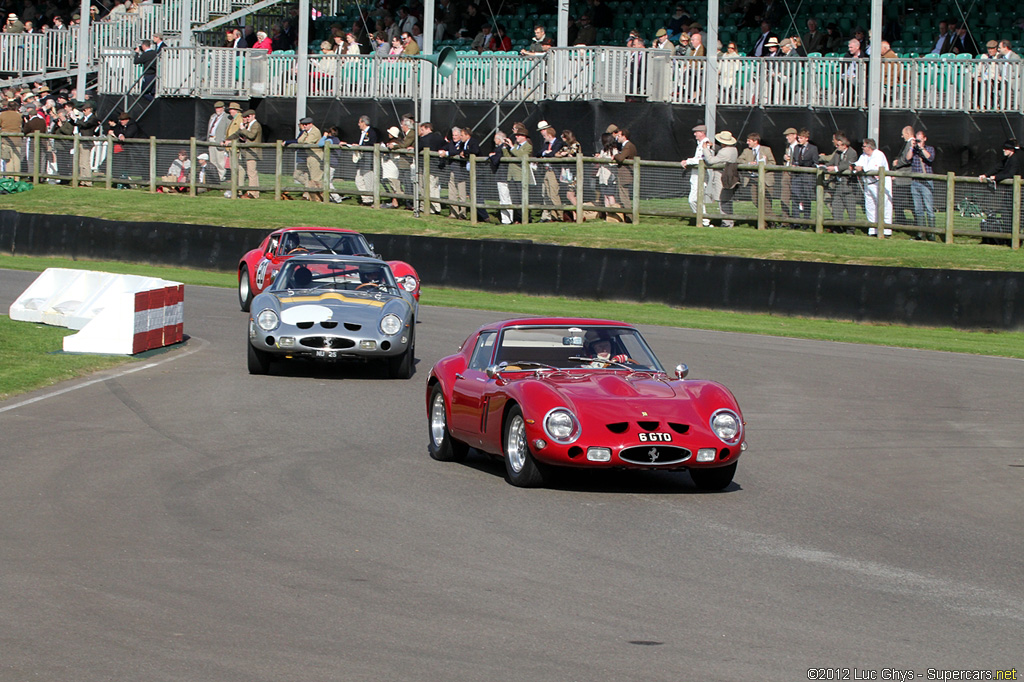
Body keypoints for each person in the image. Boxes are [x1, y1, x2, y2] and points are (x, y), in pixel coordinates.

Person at [978, 139, 1022, 233]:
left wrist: (996, 177)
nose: (1003, 150)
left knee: (1014, 212)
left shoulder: (1015, 160)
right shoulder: (1008, 159)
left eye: (1006, 148)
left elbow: (1011, 174)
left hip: (1017, 191)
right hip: (1009, 191)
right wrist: (986, 174)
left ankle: (1014, 234)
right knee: (1006, 212)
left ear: (1011, 150)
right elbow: (998, 166)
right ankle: (1007, 233)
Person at [853, 138, 893, 235]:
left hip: (880, 183)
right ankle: (873, 229)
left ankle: (886, 230)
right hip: (868, 183)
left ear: (869, 147)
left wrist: (862, 168)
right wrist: (856, 167)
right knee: (870, 206)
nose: (862, 148)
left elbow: (874, 168)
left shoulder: (878, 154)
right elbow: (858, 164)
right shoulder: (863, 156)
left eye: (864, 146)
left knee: (884, 205)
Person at [701, 130, 740, 226]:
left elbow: (710, 160)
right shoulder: (734, 150)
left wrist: (705, 149)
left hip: (722, 177)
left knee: (722, 199)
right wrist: (713, 146)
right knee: (728, 199)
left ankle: (726, 222)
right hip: (730, 176)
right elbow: (722, 152)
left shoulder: (723, 152)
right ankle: (730, 220)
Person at [224, 108, 262, 199]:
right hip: (246, 152)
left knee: (251, 173)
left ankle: (253, 193)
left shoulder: (256, 125)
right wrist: (227, 140)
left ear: (253, 116)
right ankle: (251, 192)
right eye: (245, 117)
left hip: (253, 152)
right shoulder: (247, 125)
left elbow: (251, 136)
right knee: (250, 172)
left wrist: (243, 129)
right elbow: (237, 134)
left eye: (248, 116)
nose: (246, 118)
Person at [824, 134, 859, 231]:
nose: (836, 147)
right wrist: (823, 166)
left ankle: (851, 229)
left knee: (850, 209)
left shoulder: (852, 153)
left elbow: (847, 165)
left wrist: (835, 168)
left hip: (849, 186)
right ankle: (837, 228)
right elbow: (831, 163)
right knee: (836, 207)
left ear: (844, 145)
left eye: (838, 145)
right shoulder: (837, 153)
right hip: (838, 185)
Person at [737, 132, 776, 217]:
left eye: (749, 141)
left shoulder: (766, 149)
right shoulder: (746, 151)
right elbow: (739, 160)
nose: (747, 143)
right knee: (755, 200)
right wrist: (748, 163)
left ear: (755, 141)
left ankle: (769, 221)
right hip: (753, 178)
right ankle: (772, 218)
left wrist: (765, 164)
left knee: (766, 202)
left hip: (765, 179)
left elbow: (773, 163)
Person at [907, 130, 936, 238]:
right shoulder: (914, 150)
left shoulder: (929, 149)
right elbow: (907, 158)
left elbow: (930, 158)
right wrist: (912, 147)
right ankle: (920, 233)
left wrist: (921, 148)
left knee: (929, 208)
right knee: (918, 209)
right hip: (915, 181)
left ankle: (931, 233)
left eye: (920, 139)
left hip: (926, 181)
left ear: (924, 139)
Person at [682, 124, 712, 224]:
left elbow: (703, 159)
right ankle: (704, 221)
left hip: (701, 175)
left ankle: (703, 220)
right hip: (696, 175)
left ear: (702, 133)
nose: (695, 134)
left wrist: (687, 161)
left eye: (696, 132)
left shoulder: (706, 143)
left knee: (693, 199)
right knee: (697, 199)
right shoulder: (700, 143)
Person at [288, 116, 323, 201]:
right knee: (311, 180)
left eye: (306, 124)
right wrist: (305, 133)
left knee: (316, 180)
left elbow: (308, 142)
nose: (304, 126)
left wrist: (305, 137)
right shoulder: (306, 132)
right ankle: (313, 198)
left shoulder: (315, 131)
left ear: (311, 124)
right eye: (303, 124)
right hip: (309, 157)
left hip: (316, 157)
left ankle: (322, 198)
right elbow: (300, 140)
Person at [346, 115, 378, 205]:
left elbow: (371, 144)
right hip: (361, 159)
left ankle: (370, 199)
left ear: (363, 123)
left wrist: (360, 147)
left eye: (359, 122)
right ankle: (366, 198)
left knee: (368, 179)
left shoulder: (372, 132)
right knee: (358, 180)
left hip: (368, 159)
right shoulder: (361, 133)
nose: (358, 124)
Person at [536, 120, 565, 222]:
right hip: (546, 171)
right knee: (547, 194)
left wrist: (548, 153)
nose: (542, 134)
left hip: (554, 171)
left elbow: (553, 154)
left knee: (554, 194)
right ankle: (552, 216)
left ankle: (560, 216)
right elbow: (539, 153)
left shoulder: (558, 143)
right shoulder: (546, 144)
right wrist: (545, 152)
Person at [506, 122, 534, 223]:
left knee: (523, 198)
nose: (516, 137)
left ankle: (526, 219)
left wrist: (511, 147)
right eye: (516, 135)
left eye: (518, 135)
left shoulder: (528, 146)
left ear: (524, 136)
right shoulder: (515, 146)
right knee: (515, 199)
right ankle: (517, 219)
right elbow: (509, 156)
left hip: (521, 176)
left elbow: (521, 156)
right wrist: (505, 147)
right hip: (512, 175)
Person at [890, 126, 916, 226]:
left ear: (907, 134)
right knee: (910, 202)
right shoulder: (909, 143)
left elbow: (907, 159)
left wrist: (897, 163)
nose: (902, 136)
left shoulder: (911, 143)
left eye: (903, 134)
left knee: (897, 201)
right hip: (905, 178)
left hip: (904, 178)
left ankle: (901, 221)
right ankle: (916, 221)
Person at [554, 129, 583, 221]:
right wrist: (562, 154)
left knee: (570, 195)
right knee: (571, 195)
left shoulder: (576, 145)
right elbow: (557, 154)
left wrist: (566, 153)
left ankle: (580, 214)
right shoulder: (566, 146)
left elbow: (573, 153)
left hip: (574, 173)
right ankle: (575, 216)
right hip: (567, 174)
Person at [791, 129, 818, 223]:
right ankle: (795, 220)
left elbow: (815, 162)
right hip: (797, 176)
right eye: (798, 138)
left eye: (801, 138)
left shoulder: (813, 148)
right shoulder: (796, 148)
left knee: (806, 198)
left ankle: (806, 220)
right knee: (795, 197)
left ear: (806, 138)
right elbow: (794, 160)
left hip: (807, 177)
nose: (799, 139)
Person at [612, 127, 637, 221]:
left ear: (624, 136)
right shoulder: (628, 146)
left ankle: (630, 218)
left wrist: (615, 155)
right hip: (626, 175)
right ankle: (627, 216)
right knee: (624, 196)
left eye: (619, 136)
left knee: (624, 197)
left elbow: (621, 158)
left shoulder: (628, 146)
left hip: (625, 175)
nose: (617, 138)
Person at [489, 130, 513, 224]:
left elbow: (496, 160)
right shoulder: (505, 147)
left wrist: (491, 156)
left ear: (499, 139)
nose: (494, 141)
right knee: (506, 198)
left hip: (502, 175)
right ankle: (508, 218)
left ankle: (506, 220)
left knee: (504, 198)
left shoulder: (500, 149)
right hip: (505, 176)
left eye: (495, 139)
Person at [205, 101, 229, 182]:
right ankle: (213, 177)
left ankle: (220, 177)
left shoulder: (227, 117)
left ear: (223, 108)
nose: (217, 110)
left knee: (220, 160)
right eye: (216, 108)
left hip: (219, 140)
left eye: (219, 108)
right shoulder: (213, 116)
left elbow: (228, 130)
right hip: (211, 139)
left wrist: (224, 139)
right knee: (212, 160)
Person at [779, 127, 799, 220]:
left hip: (796, 175)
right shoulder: (787, 147)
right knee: (784, 197)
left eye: (789, 135)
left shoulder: (799, 147)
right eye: (786, 136)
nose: (787, 138)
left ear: (795, 136)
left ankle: (797, 219)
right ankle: (785, 220)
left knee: (796, 197)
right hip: (786, 173)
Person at [1, 99, 23, 177]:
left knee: (8, 159)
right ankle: (17, 177)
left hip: (6, 139)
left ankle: (9, 177)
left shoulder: (2, 114)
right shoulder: (19, 115)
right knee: (16, 159)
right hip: (17, 139)